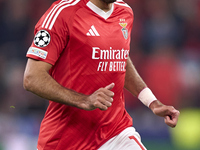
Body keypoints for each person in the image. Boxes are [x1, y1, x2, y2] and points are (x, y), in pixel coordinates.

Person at [23, 0, 180, 149]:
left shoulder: (125, 12)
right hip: (65, 140)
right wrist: (84, 100)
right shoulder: (62, 14)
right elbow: (32, 78)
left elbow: (119, 58)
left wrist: (152, 102)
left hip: (116, 133)